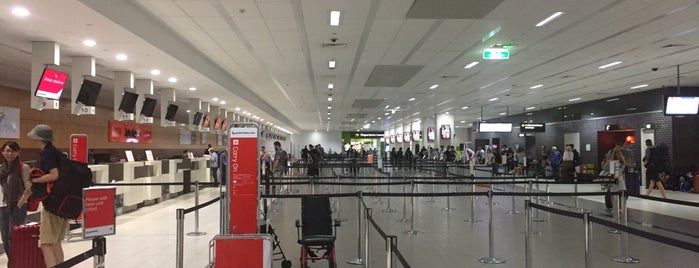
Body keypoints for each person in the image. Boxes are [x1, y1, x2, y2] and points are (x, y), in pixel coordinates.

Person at [26, 124, 68, 267]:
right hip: (63, 202)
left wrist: (35, 180)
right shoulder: (57, 152)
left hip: (52, 203)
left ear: (38, 138)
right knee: (55, 242)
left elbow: (54, 175)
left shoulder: (47, 153)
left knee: (46, 244)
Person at [0, 141, 32, 263]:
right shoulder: (1, 169)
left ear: (18, 152)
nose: (9, 153)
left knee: (14, 238)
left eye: (12, 151)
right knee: (5, 239)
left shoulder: (23, 167)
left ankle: (17, 263)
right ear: (3, 152)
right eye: (7, 150)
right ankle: (14, 262)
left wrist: (19, 204)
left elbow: (29, 188)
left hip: (17, 207)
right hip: (3, 206)